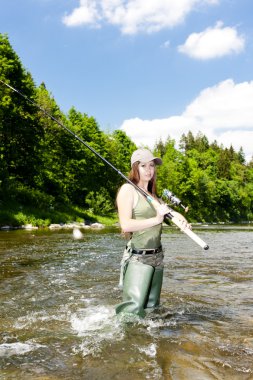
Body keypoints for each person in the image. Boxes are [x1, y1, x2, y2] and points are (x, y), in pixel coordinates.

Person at [115, 148, 189, 318]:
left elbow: (168, 212)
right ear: (135, 168)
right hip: (138, 259)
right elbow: (126, 225)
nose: (149, 170)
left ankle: (149, 343)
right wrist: (156, 219)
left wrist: (181, 219)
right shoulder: (128, 190)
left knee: (152, 312)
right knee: (130, 313)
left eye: (152, 166)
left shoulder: (153, 196)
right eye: (143, 165)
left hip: (157, 258)